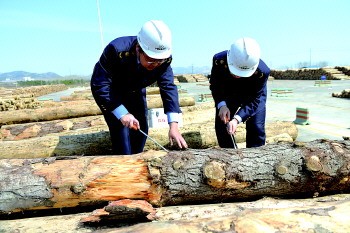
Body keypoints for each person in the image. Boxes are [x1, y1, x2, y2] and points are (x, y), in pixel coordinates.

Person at [91, 20, 188, 155]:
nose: (155, 64)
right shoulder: (117, 50)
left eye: (159, 61)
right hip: (111, 93)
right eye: (150, 59)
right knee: (122, 135)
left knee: (141, 132)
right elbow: (100, 85)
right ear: (138, 49)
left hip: (135, 91)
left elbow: (168, 87)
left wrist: (174, 125)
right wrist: (122, 113)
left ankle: (138, 163)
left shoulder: (164, 59)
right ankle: (124, 168)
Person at [209, 37, 270, 148]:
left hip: (254, 95)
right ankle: (229, 158)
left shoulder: (262, 72)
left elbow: (255, 100)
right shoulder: (219, 60)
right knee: (222, 124)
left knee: (256, 127)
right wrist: (222, 105)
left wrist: (237, 119)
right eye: (235, 72)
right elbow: (215, 85)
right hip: (230, 92)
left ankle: (255, 158)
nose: (238, 76)